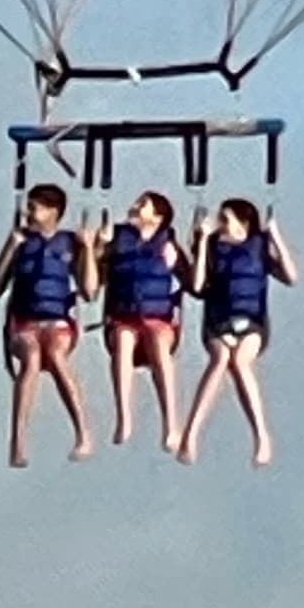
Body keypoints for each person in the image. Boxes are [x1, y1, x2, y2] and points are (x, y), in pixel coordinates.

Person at [179, 199, 298, 467]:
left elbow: (291, 277)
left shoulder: (259, 247)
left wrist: (275, 237)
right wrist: (202, 243)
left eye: (225, 219)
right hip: (218, 322)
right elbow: (197, 286)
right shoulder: (212, 246)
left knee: (241, 362)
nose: (220, 224)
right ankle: (190, 434)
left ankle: (261, 437)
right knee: (220, 360)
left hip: (252, 322)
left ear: (242, 223)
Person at [0, 183, 97, 467]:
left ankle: (83, 433)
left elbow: (89, 291)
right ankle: (18, 443)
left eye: (34, 207)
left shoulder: (70, 243)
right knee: (32, 358)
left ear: (53, 211)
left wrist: (87, 248)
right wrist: (10, 247)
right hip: (24, 323)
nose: (28, 213)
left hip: (59, 322)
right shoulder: (21, 241)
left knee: (56, 356)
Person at [97, 189, 187, 452]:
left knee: (158, 343)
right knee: (123, 341)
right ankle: (124, 418)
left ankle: (171, 425)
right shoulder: (117, 239)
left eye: (142, 204)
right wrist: (99, 247)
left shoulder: (169, 243)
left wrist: (190, 251)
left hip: (159, 319)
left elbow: (194, 282)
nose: (135, 206)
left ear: (158, 216)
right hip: (123, 318)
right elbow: (93, 281)